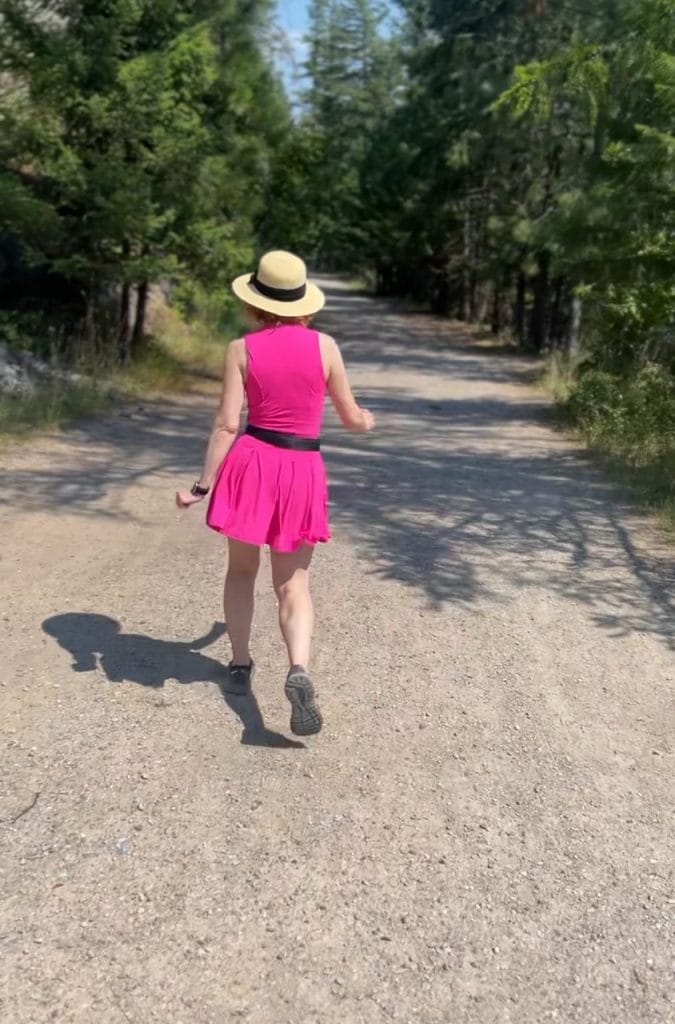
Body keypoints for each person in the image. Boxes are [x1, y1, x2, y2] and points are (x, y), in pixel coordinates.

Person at [176, 250, 374, 736]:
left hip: (253, 464)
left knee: (241, 571)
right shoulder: (326, 346)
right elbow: (351, 418)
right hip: (302, 468)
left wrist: (201, 485)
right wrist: (367, 421)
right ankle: (298, 668)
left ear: (255, 302)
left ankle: (241, 664)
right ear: (303, 301)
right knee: (294, 585)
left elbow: (227, 425)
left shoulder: (241, 349)